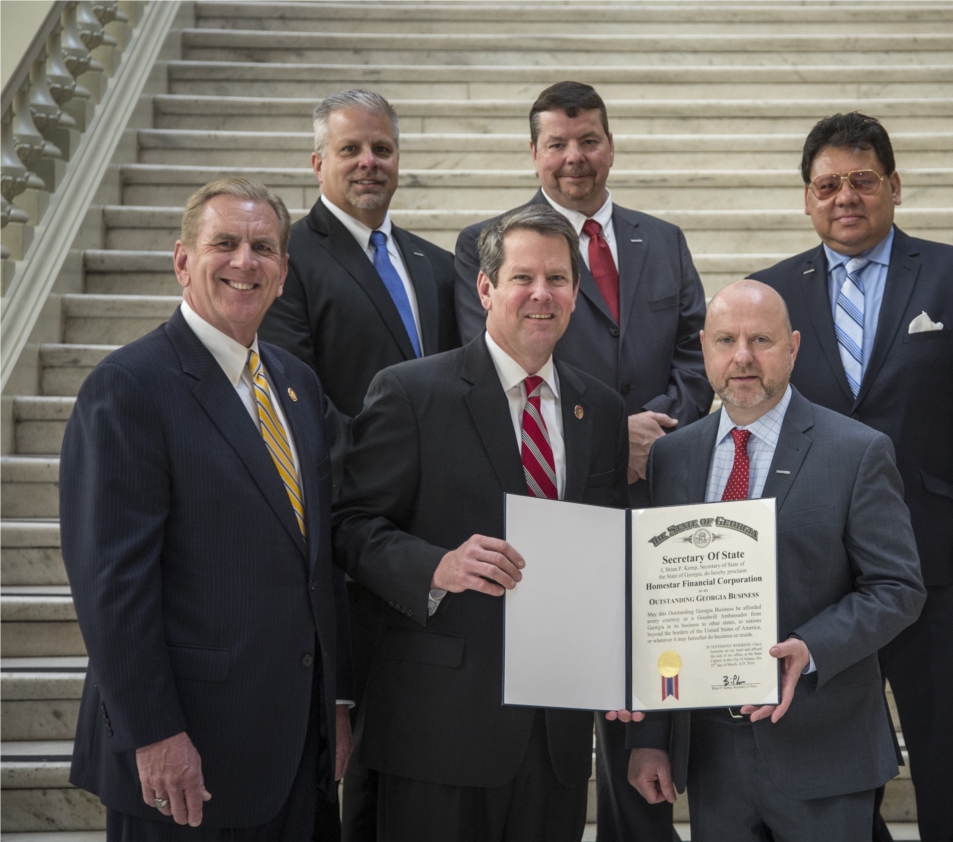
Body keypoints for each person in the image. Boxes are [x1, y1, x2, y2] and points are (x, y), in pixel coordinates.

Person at [748, 112, 953, 840]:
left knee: (947, 742)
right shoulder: (770, 294)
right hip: (816, 567)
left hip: (937, 556)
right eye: (827, 184)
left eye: (862, 180)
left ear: (894, 187)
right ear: (806, 199)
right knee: (835, 748)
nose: (846, 197)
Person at [453, 80, 710, 841]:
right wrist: (609, 433)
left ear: (609, 143)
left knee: (645, 720)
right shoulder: (487, 244)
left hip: (654, 500)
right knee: (557, 731)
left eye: (588, 139)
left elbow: (699, 350)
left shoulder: (660, 239)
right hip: (551, 511)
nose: (575, 156)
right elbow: (504, 355)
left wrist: (657, 431)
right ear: (534, 152)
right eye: (558, 143)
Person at [60, 177, 353, 840]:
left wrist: (334, 700)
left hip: (293, 751)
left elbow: (317, 556)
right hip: (186, 759)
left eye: (264, 247)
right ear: (183, 260)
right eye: (224, 243)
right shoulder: (128, 388)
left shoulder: (296, 382)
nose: (245, 261)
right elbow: (112, 587)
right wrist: (154, 733)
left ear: (283, 272)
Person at [332, 204, 630, 841]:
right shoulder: (409, 392)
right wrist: (435, 566)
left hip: (556, 735)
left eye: (558, 279)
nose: (541, 294)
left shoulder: (599, 409)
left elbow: (608, 550)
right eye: (523, 278)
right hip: (439, 732)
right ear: (487, 287)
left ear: (577, 294)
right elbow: (352, 527)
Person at [626, 280, 926, 842]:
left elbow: (898, 588)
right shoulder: (671, 456)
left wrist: (811, 649)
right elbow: (659, 607)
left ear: (792, 347)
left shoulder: (857, 451)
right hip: (712, 757)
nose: (742, 356)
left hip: (822, 744)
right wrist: (651, 739)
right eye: (726, 340)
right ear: (704, 350)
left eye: (760, 339)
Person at [256, 89, 461, 841]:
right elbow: (296, 395)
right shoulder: (287, 260)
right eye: (351, 150)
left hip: (427, 548)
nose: (369, 162)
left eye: (381, 149)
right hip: (349, 541)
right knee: (359, 755)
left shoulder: (436, 264)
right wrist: (396, 489)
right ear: (318, 163)